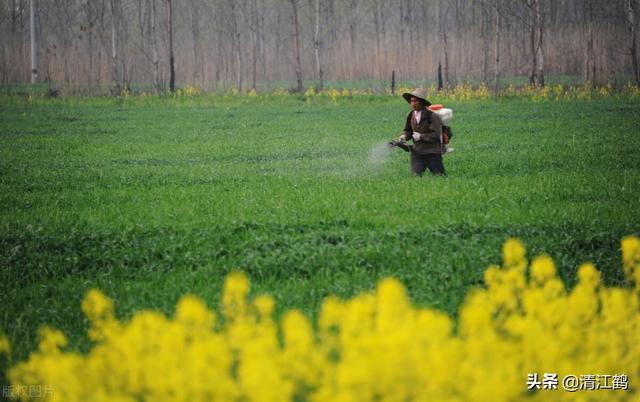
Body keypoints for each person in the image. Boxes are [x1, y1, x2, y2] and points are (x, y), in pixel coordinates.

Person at [397, 88, 446, 176]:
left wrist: (421, 136)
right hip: (417, 152)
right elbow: (408, 131)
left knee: (439, 176)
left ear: (422, 102)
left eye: (416, 101)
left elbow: (436, 135)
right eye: (411, 101)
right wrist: (404, 136)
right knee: (416, 177)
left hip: (433, 152)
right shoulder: (411, 115)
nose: (413, 103)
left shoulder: (432, 115)